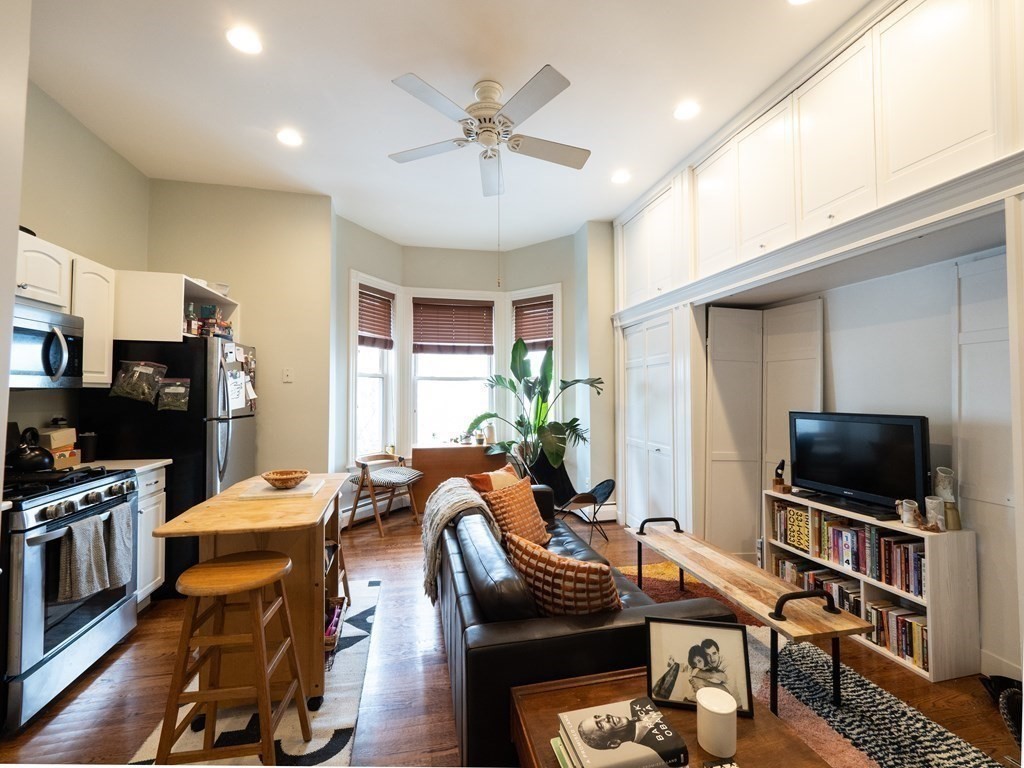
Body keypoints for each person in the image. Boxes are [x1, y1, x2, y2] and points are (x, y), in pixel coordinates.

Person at [577, 698, 676, 753]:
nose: (605, 717)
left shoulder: (638, 703)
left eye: (598, 716)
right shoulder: (666, 747)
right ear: (614, 743)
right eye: (600, 725)